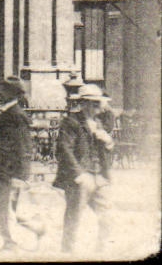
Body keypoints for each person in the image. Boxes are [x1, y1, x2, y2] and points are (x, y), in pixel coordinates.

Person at [0, 76, 42, 250]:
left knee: (6, 208)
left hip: (11, 170)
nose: (0, 92)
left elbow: (11, 144)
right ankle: (32, 230)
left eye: (3, 89)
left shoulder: (15, 115)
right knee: (8, 207)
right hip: (8, 168)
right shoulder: (9, 113)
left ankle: (10, 242)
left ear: (12, 93)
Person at [55, 83, 114, 253]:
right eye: (96, 103)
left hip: (99, 177)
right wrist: (78, 174)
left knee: (108, 218)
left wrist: (108, 142)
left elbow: (105, 147)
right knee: (74, 220)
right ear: (85, 104)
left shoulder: (98, 123)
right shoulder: (71, 122)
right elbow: (64, 149)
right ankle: (67, 253)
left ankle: (101, 253)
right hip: (82, 178)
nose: (100, 107)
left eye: (99, 103)